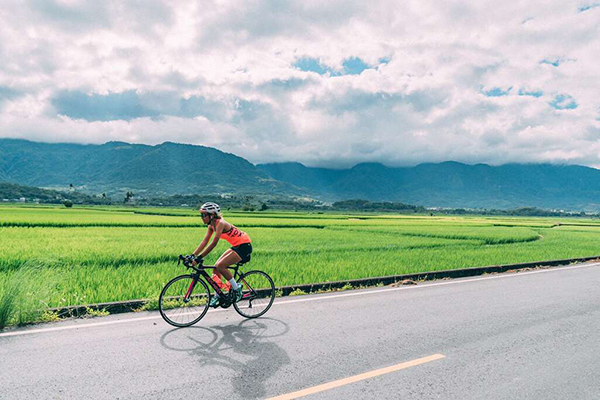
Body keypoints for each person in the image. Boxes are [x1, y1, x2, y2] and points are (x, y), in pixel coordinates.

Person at [191, 202, 252, 307]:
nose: (202, 217)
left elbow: (213, 243)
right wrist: (193, 255)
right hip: (236, 246)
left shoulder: (221, 223)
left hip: (244, 246)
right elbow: (205, 241)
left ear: (212, 215)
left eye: (204, 215)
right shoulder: (211, 226)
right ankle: (217, 295)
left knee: (221, 266)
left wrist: (199, 258)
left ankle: (237, 289)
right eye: (201, 215)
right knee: (215, 267)